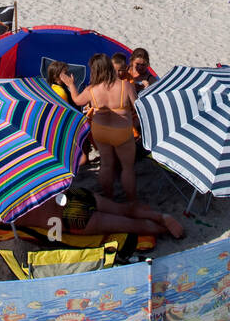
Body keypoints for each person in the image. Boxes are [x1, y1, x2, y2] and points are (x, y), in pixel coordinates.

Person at [65, 54, 138, 202]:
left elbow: (77, 101)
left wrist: (71, 85)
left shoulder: (91, 89)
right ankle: (131, 200)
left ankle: (109, 196)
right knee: (127, 168)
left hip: (101, 130)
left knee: (105, 165)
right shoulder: (125, 86)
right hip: (122, 131)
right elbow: (138, 107)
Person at [17, 187, 185, 240]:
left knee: (132, 226)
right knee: (123, 209)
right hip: (73, 195)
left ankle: (163, 229)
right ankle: (160, 216)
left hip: (69, 218)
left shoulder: (1, 207)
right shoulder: (22, 174)